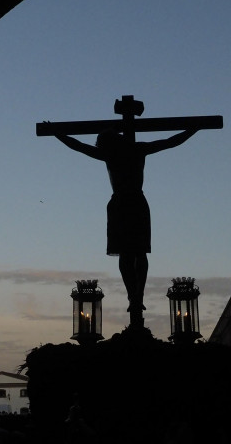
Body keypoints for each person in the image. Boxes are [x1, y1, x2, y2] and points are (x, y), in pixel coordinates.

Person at [53, 128, 200, 324]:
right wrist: (194, 128)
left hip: (126, 203)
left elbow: (78, 146)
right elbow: (170, 141)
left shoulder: (114, 153)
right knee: (133, 253)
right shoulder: (132, 150)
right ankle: (135, 296)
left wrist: (58, 133)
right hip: (129, 203)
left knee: (133, 253)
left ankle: (135, 296)